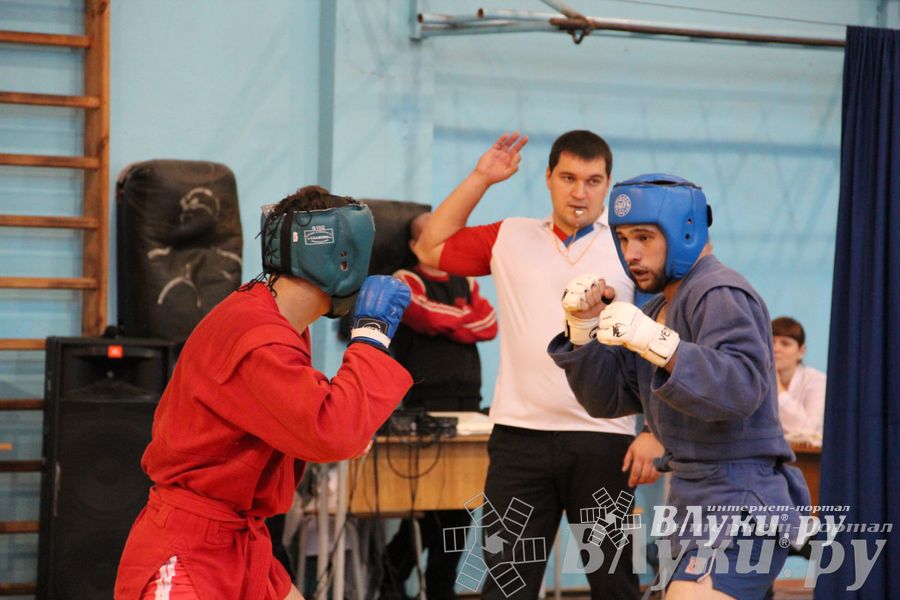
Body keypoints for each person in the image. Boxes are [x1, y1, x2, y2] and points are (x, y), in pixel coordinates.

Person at [114, 186, 414, 600]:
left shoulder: (269, 315)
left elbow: (296, 412)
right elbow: (331, 433)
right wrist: (370, 335)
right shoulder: (259, 336)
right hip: (190, 550)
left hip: (238, 542)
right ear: (342, 257)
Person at [414, 131, 663, 600]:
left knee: (616, 585)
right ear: (548, 177)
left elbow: (662, 343)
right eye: (568, 177)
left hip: (605, 441)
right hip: (518, 440)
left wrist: (654, 431)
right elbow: (430, 247)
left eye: (593, 181)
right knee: (506, 586)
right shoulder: (510, 236)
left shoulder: (631, 250)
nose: (579, 192)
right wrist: (481, 178)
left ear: (608, 185)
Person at [548, 174, 811, 600]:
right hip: (690, 502)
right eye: (624, 238)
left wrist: (657, 343)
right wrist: (583, 332)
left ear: (686, 230)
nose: (631, 253)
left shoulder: (719, 291)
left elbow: (743, 386)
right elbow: (606, 398)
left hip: (739, 500)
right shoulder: (657, 307)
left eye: (645, 237)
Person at [380, 211, 499, 599]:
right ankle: (392, 577)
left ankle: (435, 588)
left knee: (459, 512)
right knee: (431, 512)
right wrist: (464, 321)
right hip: (425, 406)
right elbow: (422, 314)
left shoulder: (465, 279)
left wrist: (454, 321)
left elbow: (491, 324)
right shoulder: (405, 278)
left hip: (469, 404)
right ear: (415, 244)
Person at [771, 316, 826, 441]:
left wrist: (778, 388)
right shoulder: (756, 379)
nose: (776, 349)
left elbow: (809, 431)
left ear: (801, 351)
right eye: (771, 342)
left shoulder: (816, 381)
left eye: (785, 344)